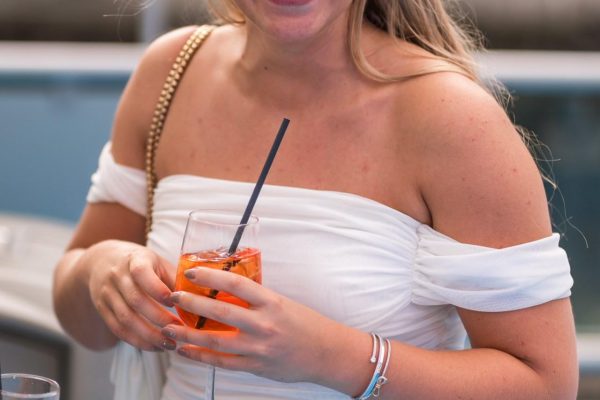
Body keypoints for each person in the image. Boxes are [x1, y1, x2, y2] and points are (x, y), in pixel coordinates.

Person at [52, 0, 578, 399]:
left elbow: (548, 385)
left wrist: (330, 355)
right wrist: (100, 271)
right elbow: (79, 317)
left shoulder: (452, 118)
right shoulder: (170, 70)